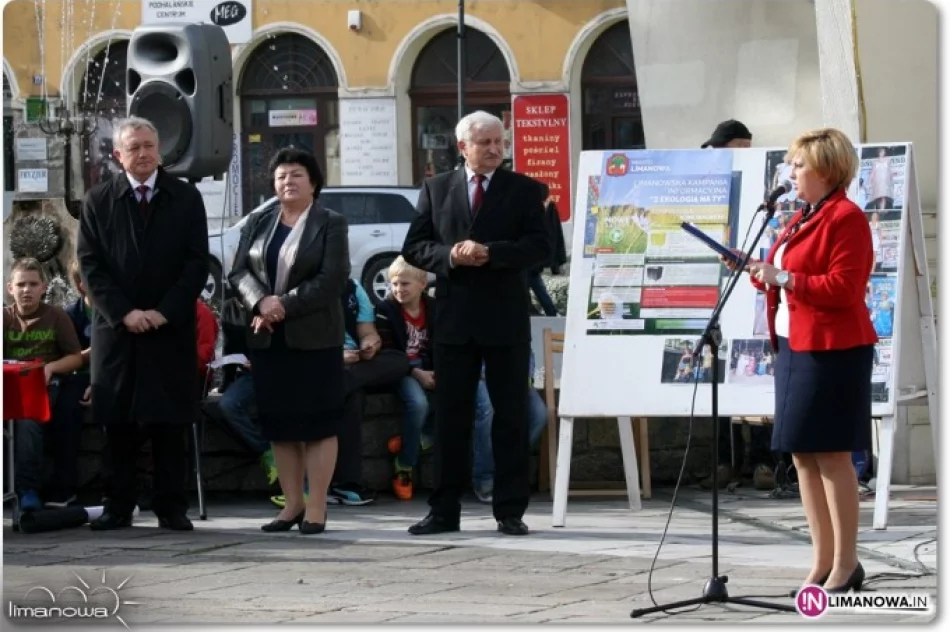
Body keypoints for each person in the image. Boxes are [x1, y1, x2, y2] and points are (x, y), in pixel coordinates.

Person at [734, 128, 877, 593]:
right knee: (801, 453)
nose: (790, 172)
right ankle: (822, 559)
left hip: (833, 349)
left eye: (799, 165)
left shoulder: (846, 217)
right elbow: (785, 275)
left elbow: (843, 288)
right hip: (794, 345)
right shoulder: (802, 215)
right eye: (791, 164)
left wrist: (783, 277)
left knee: (832, 453)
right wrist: (757, 271)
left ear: (827, 170)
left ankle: (846, 563)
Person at [402, 110, 549, 537]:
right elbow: (415, 246)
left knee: (511, 416)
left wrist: (491, 253)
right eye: (485, 142)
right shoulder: (436, 188)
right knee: (451, 418)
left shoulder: (524, 189)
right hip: (455, 320)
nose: (495, 149)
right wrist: (450, 256)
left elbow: (540, 247)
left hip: (505, 319)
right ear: (462, 146)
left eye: (500, 142)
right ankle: (444, 511)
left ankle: (510, 510)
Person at [77, 116, 209, 531]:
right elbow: (90, 267)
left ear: (160, 150)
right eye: (134, 147)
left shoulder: (185, 198)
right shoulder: (98, 200)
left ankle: (172, 506)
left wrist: (164, 311)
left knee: (169, 422)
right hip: (118, 331)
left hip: (169, 328)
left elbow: (196, 263)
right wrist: (125, 313)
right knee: (118, 424)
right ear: (119, 155)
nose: (144, 154)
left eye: (149, 145)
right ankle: (118, 505)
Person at [229, 147, 350, 535]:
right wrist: (260, 302)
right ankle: (292, 504)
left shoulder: (330, 223)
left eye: (297, 174)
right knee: (280, 425)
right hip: (269, 340)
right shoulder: (259, 221)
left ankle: (316, 507)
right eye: (281, 176)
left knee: (318, 424)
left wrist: (284, 304)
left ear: (314, 182)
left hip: (315, 338)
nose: (288, 182)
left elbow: (332, 278)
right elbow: (238, 272)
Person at [700, 119, 775, 491]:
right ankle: (724, 462)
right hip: (718, 295)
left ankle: (764, 462)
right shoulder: (708, 185)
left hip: (755, 289)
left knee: (756, 380)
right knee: (719, 383)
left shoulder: (762, 185)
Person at [4, 258, 84, 512]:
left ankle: (27, 488)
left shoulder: (56, 316)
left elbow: (75, 357)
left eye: (32, 284)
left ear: (43, 287)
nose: (26, 290)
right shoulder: (5, 317)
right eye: (21, 284)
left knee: (27, 420)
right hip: (9, 385)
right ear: (10, 288)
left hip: (45, 384)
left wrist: (50, 368)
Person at [375, 256, 436, 501]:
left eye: (405, 284)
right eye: (395, 284)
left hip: (428, 366)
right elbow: (388, 352)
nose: (399, 289)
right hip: (400, 369)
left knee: (458, 398)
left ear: (422, 284)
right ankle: (404, 465)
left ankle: (415, 441)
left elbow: (440, 344)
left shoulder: (434, 307)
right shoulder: (385, 309)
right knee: (418, 403)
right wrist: (415, 372)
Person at [471, 351, 548, 503]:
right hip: (481, 377)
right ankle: (484, 477)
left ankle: (507, 469)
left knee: (539, 415)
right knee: (488, 410)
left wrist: (525, 378)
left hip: (514, 377)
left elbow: (527, 352)